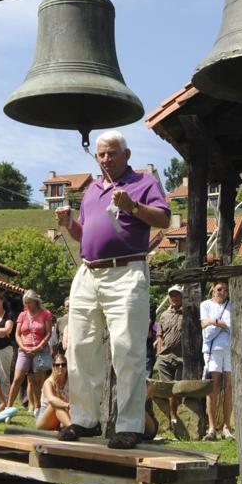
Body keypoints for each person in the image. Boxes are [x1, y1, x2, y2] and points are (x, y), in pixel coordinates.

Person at [54, 130, 169, 450]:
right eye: (101, 154)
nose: (105, 159)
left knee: (127, 350)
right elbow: (85, 234)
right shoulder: (92, 190)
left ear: (126, 155)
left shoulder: (144, 182)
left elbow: (164, 220)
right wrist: (68, 224)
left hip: (127, 270)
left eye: (111, 154)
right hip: (88, 271)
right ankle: (85, 419)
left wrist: (133, 206)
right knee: (80, 347)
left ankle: (130, 425)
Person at [9, 289, 53, 414]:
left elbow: (49, 333)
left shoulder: (45, 314)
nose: (26, 305)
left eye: (29, 302)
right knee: (17, 378)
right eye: (25, 303)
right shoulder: (22, 315)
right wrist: (23, 347)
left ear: (36, 302)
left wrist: (39, 346)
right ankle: (8, 407)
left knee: (37, 381)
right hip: (24, 350)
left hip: (40, 350)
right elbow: (17, 334)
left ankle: (39, 408)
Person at [200, 281, 233, 441]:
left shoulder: (231, 305)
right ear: (213, 289)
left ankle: (226, 427)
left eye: (226, 290)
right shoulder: (205, 305)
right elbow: (205, 331)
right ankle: (212, 428)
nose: (222, 292)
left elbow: (232, 327)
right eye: (220, 289)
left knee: (229, 387)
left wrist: (213, 322)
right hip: (212, 350)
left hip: (230, 349)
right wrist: (220, 324)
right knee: (212, 388)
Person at [154, 285, 184, 430]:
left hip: (181, 358)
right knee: (168, 389)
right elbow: (159, 336)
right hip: (165, 357)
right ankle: (173, 417)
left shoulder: (188, 314)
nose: (174, 297)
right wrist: (159, 353)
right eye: (172, 295)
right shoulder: (164, 315)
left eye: (177, 295)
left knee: (178, 389)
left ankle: (177, 416)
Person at [37, 354, 71, 430]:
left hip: (61, 419)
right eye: (57, 365)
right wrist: (67, 405)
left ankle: (74, 426)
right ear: (53, 367)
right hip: (45, 420)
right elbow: (51, 399)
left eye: (63, 364)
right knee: (55, 404)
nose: (60, 367)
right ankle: (71, 427)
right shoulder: (48, 383)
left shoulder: (70, 382)